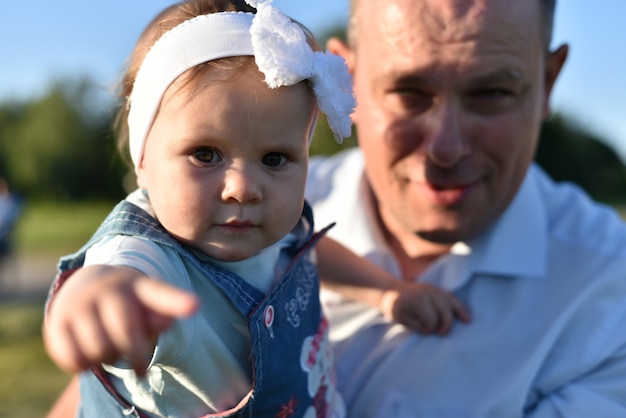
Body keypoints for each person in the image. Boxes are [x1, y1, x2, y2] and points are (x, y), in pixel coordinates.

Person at [42, 0, 469, 417]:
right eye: (206, 155)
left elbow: (306, 253)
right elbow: (116, 276)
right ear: (143, 160)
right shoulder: (151, 261)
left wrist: (386, 292)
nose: (244, 189)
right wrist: (94, 297)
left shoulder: (263, 230)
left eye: (274, 159)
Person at [303, 0, 626, 416]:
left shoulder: (608, 294)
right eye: (409, 93)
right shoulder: (219, 225)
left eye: (490, 93)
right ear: (346, 80)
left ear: (547, 83)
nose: (446, 148)